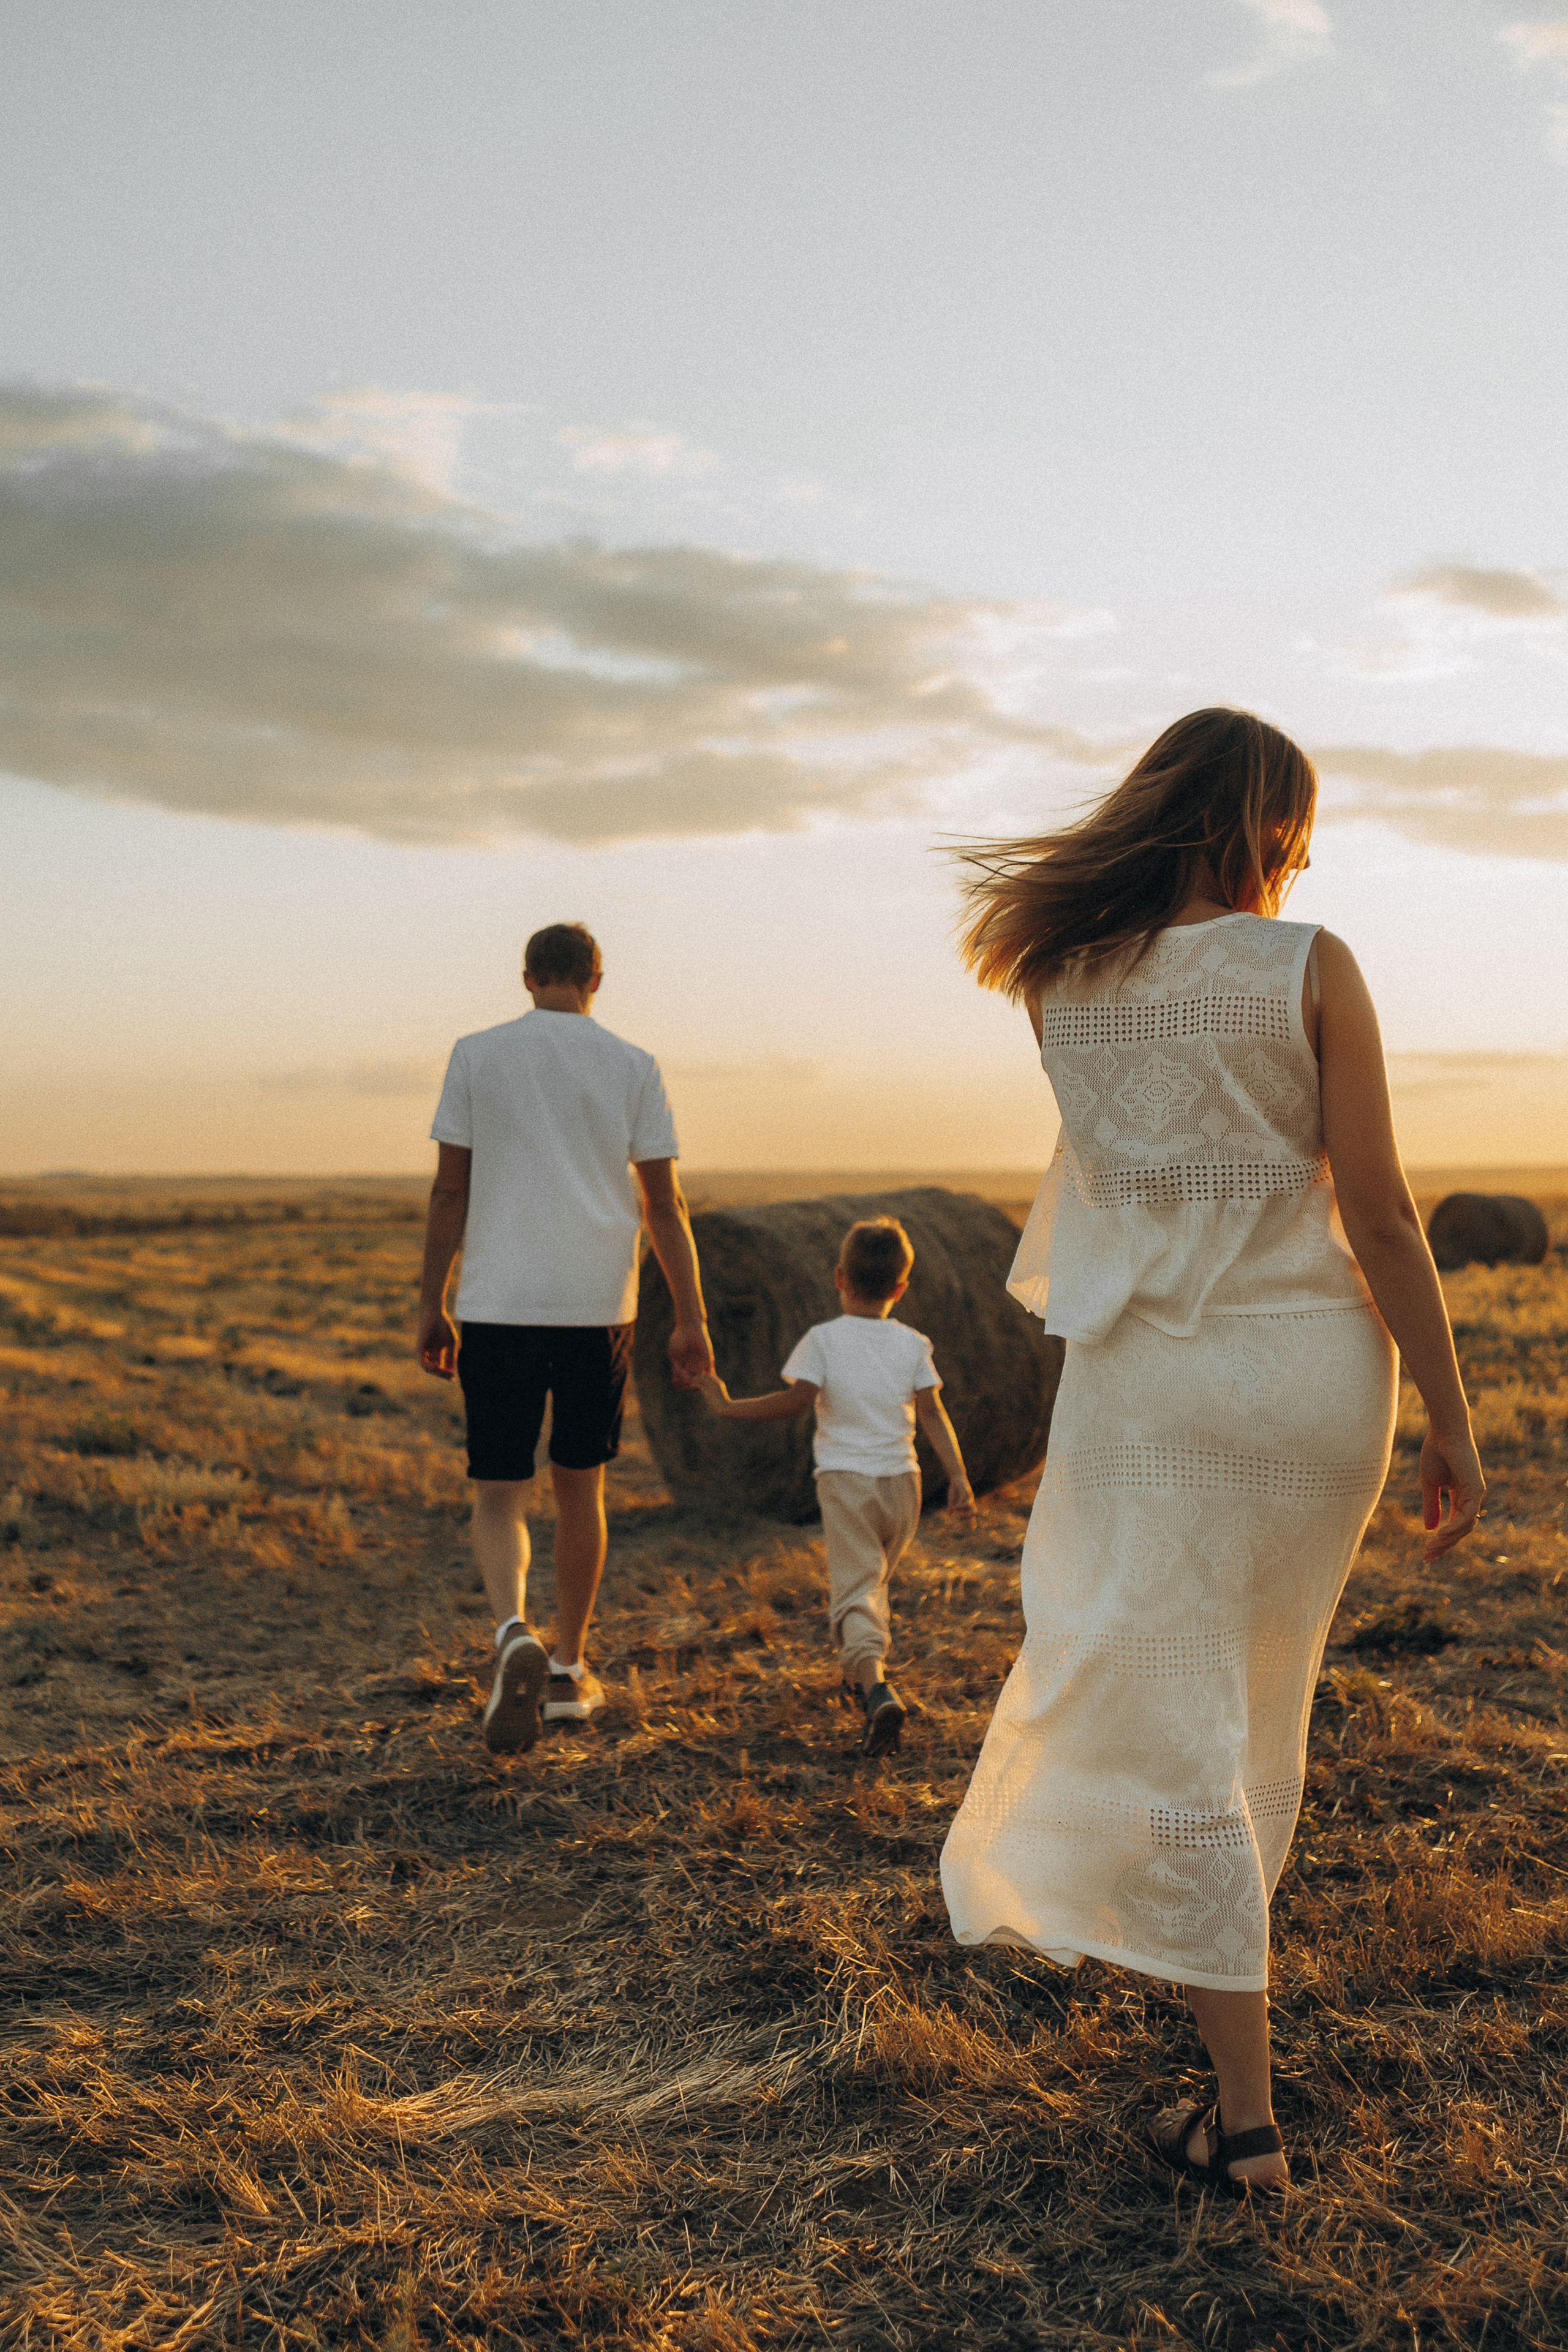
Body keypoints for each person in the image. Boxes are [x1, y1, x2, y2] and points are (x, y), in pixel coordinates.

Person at [938, 707, 1484, 2196]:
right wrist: (1446, 1408)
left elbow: (1118, 1189)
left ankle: (1240, 2119)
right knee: (1247, 1704)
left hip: (1148, 1395)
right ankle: (1224, 2058)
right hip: (1310, 1384)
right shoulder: (1307, 963)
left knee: (1172, 1708)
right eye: (1294, 832)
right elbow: (1377, 1212)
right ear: (1266, 828)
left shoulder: (1058, 977)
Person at [416, 921, 713, 1755]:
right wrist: (689, 1317)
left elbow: (449, 1191)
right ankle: (568, 1672)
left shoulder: (476, 1053)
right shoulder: (633, 1064)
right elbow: (665, 1207)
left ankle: (512, 1627)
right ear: (596, 978)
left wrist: (431, 1301)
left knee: (500, 1492)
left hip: (498, 1303)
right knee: (580, 1490)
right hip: (597, 1309)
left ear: (525, 977)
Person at [697, 1216, 977, 1755]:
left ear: (838, 1277)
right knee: (873, 1586)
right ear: (901, 1288)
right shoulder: (914, 1343)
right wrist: (960, 1476)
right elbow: (934, 1414)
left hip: (848, 1483)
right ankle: (859, 1671)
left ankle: (876, 1691)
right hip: (905, 1486)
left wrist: (729, 1406)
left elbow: (794, 1402)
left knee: (855, 1593)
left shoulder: (821, 1340)